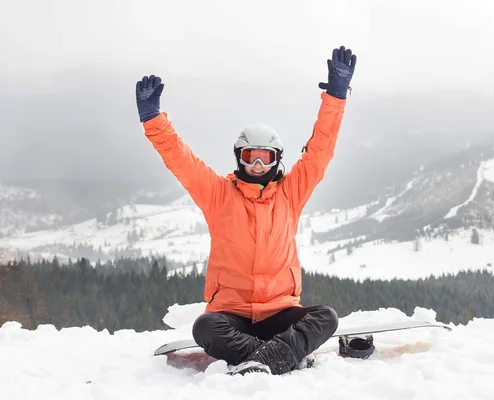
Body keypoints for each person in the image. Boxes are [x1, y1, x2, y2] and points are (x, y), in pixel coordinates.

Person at [135, 46, 357, 375]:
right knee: (205, 328)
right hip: (233, 315)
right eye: (249, 155)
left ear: (276, 159)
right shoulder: (217, 195)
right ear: (239, 156)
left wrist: (336, 96)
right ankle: (281, 355)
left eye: (265, 157)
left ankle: (262, 358)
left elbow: (320, 151)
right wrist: (153, 119)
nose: (256, 164)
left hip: (280, 311)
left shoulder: (290, 194)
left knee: (326, 317)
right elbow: (182, 161)